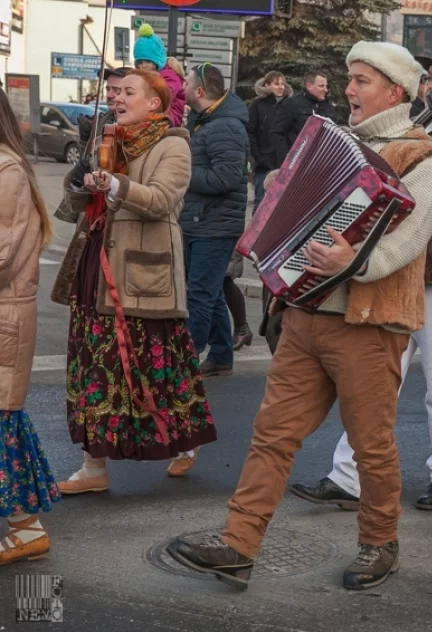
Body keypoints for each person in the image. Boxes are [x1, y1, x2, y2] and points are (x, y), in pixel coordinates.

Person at [167, 40, 432, 591]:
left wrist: (357, 263)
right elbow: (294, 208)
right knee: (272, 434)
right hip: (305, 313)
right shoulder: (333, 142)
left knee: (371, 443)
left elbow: (410, 243)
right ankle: (238, 545)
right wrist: (277, 188)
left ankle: (379, 542)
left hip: (369, 323)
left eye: (362, 81)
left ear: (394, 91)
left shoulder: (426, 159)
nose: (349, 90)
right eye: (349, 79)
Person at [290, 45, 432, 512]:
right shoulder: (403, 131)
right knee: (372, 379)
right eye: (431, 77)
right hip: (391, 272)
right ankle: (347, 476)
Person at [52, 69, 216, 492]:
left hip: (144, 276)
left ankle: (182, 443)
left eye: (128, 92)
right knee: (94, 367)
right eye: (113, 91)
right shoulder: (106, 141)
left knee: (154, 367)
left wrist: (117, 184)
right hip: (98, 265)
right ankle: (93, 466)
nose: (117, 98)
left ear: (154, 103)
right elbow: (79, 207)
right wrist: (80, 184)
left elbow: (162, 200)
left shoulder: (173, 145)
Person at [0, 89, 60, 566]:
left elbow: (2, 255)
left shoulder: (7, 171)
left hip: (5, 320)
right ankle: (25, 526)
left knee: (4, 424)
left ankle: (26, 528)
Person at [182, 64, 251, 377]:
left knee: (199, 293)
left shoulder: (224, 126)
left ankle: (186, 358)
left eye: (186, 80)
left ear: (199, 92)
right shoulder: (206, 121)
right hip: (202, 220)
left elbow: (227, 177)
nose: (180, 84)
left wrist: (183, 176)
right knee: (209, 291)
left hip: (214, 224)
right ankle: (221, 354)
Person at [57, 66, 131, 224]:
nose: (110, 95)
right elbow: (90, 160)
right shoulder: (103, 120)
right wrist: (84, 139)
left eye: (116, 90)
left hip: (119, 210)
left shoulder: (135, 124)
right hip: (94, 208)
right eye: (108, 89)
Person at [247, 71, 291, 213]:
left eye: (282, 84)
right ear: (267, 86)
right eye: (276, 84)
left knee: (280, 207)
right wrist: (259, 156)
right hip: (263, 165)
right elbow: (250, 132)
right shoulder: (257, 105)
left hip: (284, 164)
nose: (280, 87)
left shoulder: (290, 105)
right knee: (261, 204)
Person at [270, 71, 335, 165]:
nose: (325, 90)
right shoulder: (292, 104)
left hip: (323, 163)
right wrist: (287, 157)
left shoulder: (329, 107)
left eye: (326, 86)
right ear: (309, 86)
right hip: (297, 163)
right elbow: (276, 132)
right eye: (321, 86)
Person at [133, 24, 186, 126]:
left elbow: (165, 97)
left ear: (156, 61)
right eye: (139, 62)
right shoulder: (147, 77)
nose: (143, 65)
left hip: (170, 120)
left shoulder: (169, 76)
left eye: (147, 61)